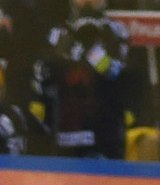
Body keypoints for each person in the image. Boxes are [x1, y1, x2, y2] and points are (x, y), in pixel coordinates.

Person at [31, 0, 128, 160]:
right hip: (66, 124)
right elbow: (41, 75)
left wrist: (86, 48)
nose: (88, 2)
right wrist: (56, 60)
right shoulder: (57, 32)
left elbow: (115, 73)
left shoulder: (117, 30)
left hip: (104, 125)